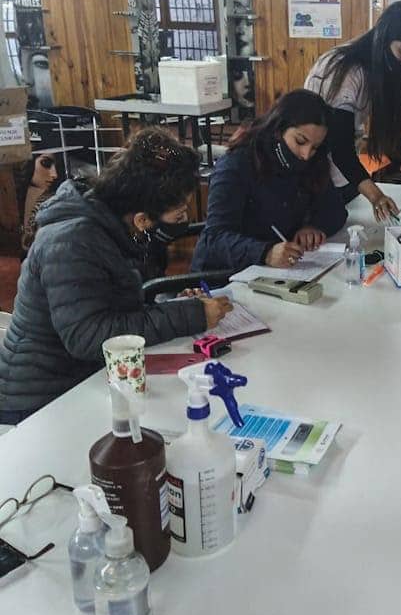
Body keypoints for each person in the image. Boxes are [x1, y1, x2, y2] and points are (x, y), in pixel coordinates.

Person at [0, 129, 232, 424]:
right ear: (142, 219)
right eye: (180, 213)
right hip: (39, 400)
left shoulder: (110, 221)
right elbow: (88, 337)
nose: (183, 221)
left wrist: (176, 305)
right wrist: (190, 316)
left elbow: (115, 304)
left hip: (85, 377)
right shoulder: (72, 242)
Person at [304, 1, 401, 221]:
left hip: (342, 174)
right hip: (314, 175)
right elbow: (339, 147)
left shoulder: (383, 67)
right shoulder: (346, 70)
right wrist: (375, 196)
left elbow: (388, 134)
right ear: (384, 39)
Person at [191, 89, 348, 272]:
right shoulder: (236, 165)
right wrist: (264, 252)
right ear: (278, 129)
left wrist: (314, 226)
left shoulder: (313, 162)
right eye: (300, 141)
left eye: (314, 147)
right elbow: (215, 239)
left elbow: (336, 209)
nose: (306, 155)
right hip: (223, 276)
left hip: (276, 271)